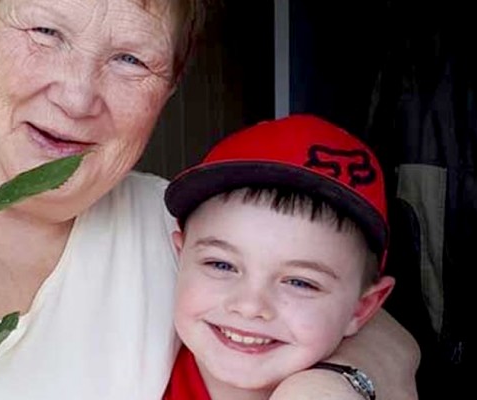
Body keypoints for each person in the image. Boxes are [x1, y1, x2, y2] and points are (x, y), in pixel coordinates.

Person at [0, 0, 419, 399]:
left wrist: (336, 385)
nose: (78, 95)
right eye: (46, 31)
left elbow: (363, 317)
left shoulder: (171, 223)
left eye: (131, 60)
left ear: (168, 90)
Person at [162, 115, 396, 400]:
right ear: (180, 256)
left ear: (362, 308)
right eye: (221, 264)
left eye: (300, 282)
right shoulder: (131, 373)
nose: (249, 306)